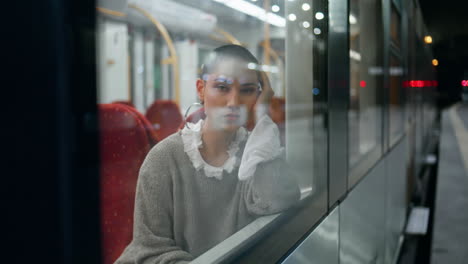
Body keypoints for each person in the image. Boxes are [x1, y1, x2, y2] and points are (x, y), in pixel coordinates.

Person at [116, 44, 299, 264]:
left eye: (248, 90)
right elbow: (150, 251)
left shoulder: (257, 152)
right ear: (201, 90)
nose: (234, 102)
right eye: (222, 87)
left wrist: (262, 116)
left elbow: (278, 201)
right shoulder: (163, 159)